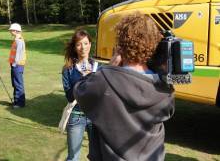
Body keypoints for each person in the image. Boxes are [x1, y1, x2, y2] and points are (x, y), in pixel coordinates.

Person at [73, 12, 175, 161]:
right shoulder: (165, 88)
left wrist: (108, 68)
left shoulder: (104, 80)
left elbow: (80, 89)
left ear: (120, 46)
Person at [62, 29, 96, 161]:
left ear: (90, 45)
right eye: (79, 44)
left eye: (86, 43)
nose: (83, 47)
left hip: (96, 117)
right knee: (73, 157)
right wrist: (83, 79)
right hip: (76, 116)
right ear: (75, 47)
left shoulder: (97, 67)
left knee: (98, 156)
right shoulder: (68, 69)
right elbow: (70, 97)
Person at [9, 23, 26, 108]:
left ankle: (20, 103)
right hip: (15, 64)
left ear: (16, 31)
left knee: (18, 83)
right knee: (15, 83)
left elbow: (18, 53)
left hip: (17, 65)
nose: (10, 31)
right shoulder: (16, 39)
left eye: (11, 30)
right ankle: (16, 101)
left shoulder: (19, 40)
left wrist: (14, 64)